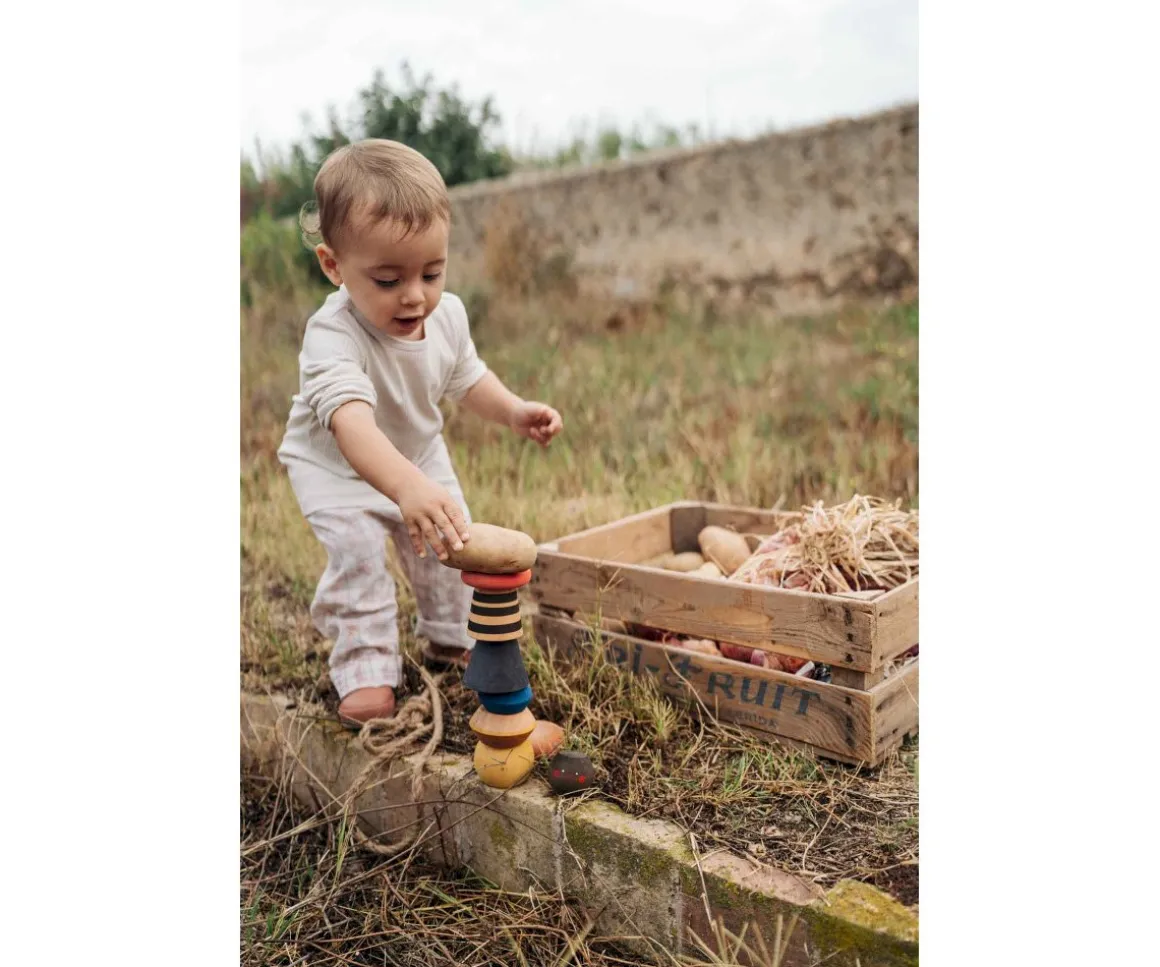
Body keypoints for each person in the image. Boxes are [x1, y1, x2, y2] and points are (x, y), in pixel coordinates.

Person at [276, 139, 563, 728]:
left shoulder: (446, 315)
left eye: (432, 273)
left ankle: (451, 633)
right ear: (333, 266)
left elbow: (466, 376)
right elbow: (352, 424)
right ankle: (366, 664)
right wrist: (406, 488)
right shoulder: (332, 336)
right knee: (358, 556)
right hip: (335, 469)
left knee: (450, 541)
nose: (415, 295)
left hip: (418, 453)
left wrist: (513, 411)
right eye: (388, 280)